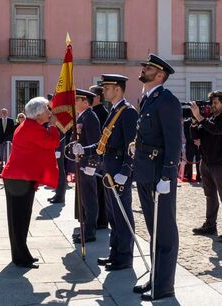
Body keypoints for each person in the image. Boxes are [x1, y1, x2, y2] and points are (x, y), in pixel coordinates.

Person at [74, 74, 138, 272]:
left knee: (122, 214)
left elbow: (131, 145)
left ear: (117, 89)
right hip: (109, 169)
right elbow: (103, 143)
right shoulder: (114, 111)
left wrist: (126, 171)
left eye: (107, 87)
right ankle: (115, 253)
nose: (104, 91)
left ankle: (125, 257)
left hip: (119, 170)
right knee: (112, 215)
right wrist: (85, 150)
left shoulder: (127, 112)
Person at [132, 54, 181, 301]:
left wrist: (167, 176)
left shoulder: (166, 101)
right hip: (144, 172)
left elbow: (174, 143)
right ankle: (155, 278)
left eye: (148, 67)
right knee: (153, 231)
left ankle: (164, 286)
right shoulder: (148, 100)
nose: (143, 69)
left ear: (160, 75)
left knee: (165, 232)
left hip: (159, 175)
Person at [1, 97, 59, 269]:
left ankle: (21, 254)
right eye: (48, 110)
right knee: (19, 219)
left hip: (18, 178)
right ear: (40, 113)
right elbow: (52, 142)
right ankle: (21, 257)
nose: (50, 113)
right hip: (19, 179)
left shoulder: (29, 126)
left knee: (19, 219)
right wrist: (54, 126)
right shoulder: (32, 128)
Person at [191, 90, 222, 243]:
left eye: (216, 103)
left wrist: (200, 118)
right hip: (206, 162)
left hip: (220, 163)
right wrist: (193, 123)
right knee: (209, 195)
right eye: (212, 103)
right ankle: (210, 225)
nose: (213, 106)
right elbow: (197, 135)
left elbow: (216, 130)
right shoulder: (209, 118)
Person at [71, 89, 101, 244]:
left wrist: (91, 165)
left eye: (77, 99)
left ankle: (90, 232)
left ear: (85, 101)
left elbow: (96, 143)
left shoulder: (90, 117)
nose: (74, 102)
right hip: (80, 163)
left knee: (89, 199)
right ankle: (85, 229)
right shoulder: (81, 117)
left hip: (87, 164)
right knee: (84, 199)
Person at [89, 84, 109, 229]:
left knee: (99, 191)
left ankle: (101, 220)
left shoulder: (101, 113)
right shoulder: (95, 111)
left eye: (90, 96)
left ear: (96, 97)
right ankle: (99, 219)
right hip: (96, 155)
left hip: (99, 156)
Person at [0, 108, 15, 173]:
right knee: (1, 154)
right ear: (1, 113)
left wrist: (8, 138)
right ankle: (1, 168)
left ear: (7, 113)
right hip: (0, 140)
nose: (4, 113)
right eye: (3, 112)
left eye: (5, 112)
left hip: (8, 141)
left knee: (7, 155)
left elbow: (12, 131)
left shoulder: (10, 120)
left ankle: (7, 167)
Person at [183, 117, 202, 182]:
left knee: (198, 160)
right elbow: (186, 134)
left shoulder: (200, 120)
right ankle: (189, 176)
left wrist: (199, 141)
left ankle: (198, 176)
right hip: (190, 144)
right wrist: (194, 140)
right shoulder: (186, 122)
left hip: (199, 144)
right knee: (189, 161)